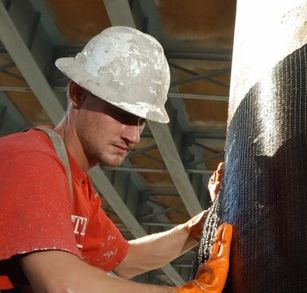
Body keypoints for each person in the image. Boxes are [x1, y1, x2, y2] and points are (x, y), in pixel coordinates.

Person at [0, 26, 232, 292]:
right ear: (78, 94)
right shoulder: (32, 161)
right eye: (121, 114)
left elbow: (125, 260)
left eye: (139, 121)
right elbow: (61, 284)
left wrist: (201, 225)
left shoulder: (75, 185)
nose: (133, 136)